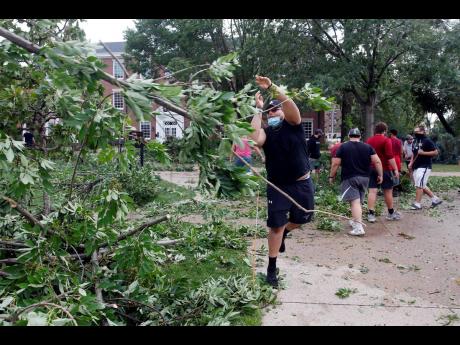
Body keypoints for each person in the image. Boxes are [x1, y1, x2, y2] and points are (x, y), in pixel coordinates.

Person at [251, 75, 314, 288]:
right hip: (277, 186)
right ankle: (271, 268)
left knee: (304, 217)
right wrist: (258, 110)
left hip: (301, 183)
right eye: (270, 110)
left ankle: (286, 231)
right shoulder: (267, 133)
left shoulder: (294, 125)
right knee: (275, 227)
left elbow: (290, 107)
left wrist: (271, 88)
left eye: (276, 109)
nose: (274, 111)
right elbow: (254, 139)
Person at [330, 128, 383, 236]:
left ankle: (359, 227)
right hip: (365, 178)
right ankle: (355, 221)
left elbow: (335, 163)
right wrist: (380, 174)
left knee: (354, 202)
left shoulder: (343, 147)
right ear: (359, 136)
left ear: (349, 136)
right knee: (357, 202)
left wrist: (331, 176)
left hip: (350, 177)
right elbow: (377, 161)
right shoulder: (368, 147)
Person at [366, 122, 401, 223]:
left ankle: (371, 214)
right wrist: (395, 169)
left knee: (372, 191)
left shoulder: (369, 140)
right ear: (384, 131)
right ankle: (390, 213)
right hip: (385, 169)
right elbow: (390, 156)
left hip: (371, 168)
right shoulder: (386, 140)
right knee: (388, 191)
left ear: (375, 130)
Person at [408, 125, 442, 210]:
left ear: (423, 132)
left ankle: (417, 204)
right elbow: (414, 153)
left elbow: (435, 152)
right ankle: (435, 199)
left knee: (419, 184)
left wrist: (423, 153)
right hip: (416, 166)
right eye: (415, 132)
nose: (416, 133)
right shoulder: (415, 141)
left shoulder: (427, 141)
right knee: (420, 184)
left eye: (417, 132)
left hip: (425, 166)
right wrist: (411, 163)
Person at [389, 129, 403, 196]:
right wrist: (401, 161)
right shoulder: (400, 141)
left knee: (390, 174)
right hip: (397, 159)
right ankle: (396, 190)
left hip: (391, 159)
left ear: (391, 133)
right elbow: (401, 152)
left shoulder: (389, 140)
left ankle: (390, 189)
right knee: (396, 174)